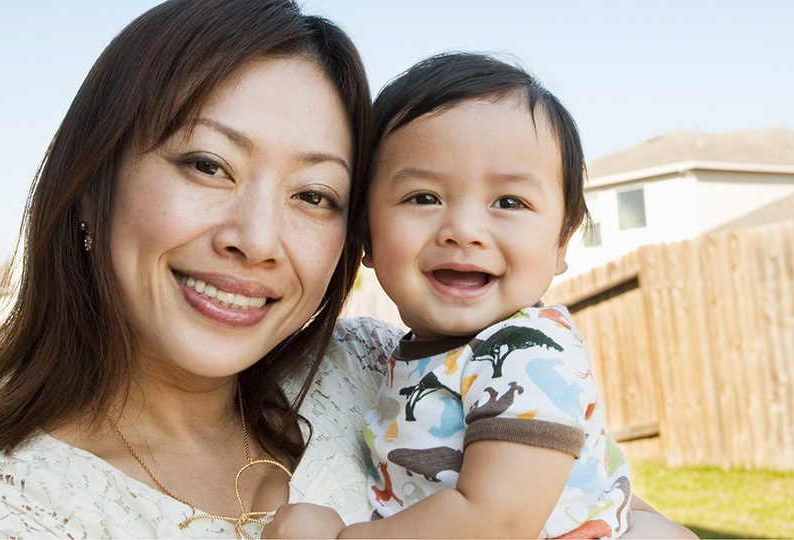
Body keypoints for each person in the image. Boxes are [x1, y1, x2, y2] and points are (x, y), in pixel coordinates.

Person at [0, 0, 403, 537]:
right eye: (208, 166)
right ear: (90, 186)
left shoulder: (383, 376)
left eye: (313, 195)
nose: (259, 241)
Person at [265, 53, 696, 539]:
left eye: (509, 202)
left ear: (561, 241)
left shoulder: (528, 353)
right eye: (423, 197)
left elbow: (495, 520)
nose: (464, 230)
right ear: (366, 234)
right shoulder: (420, 357)